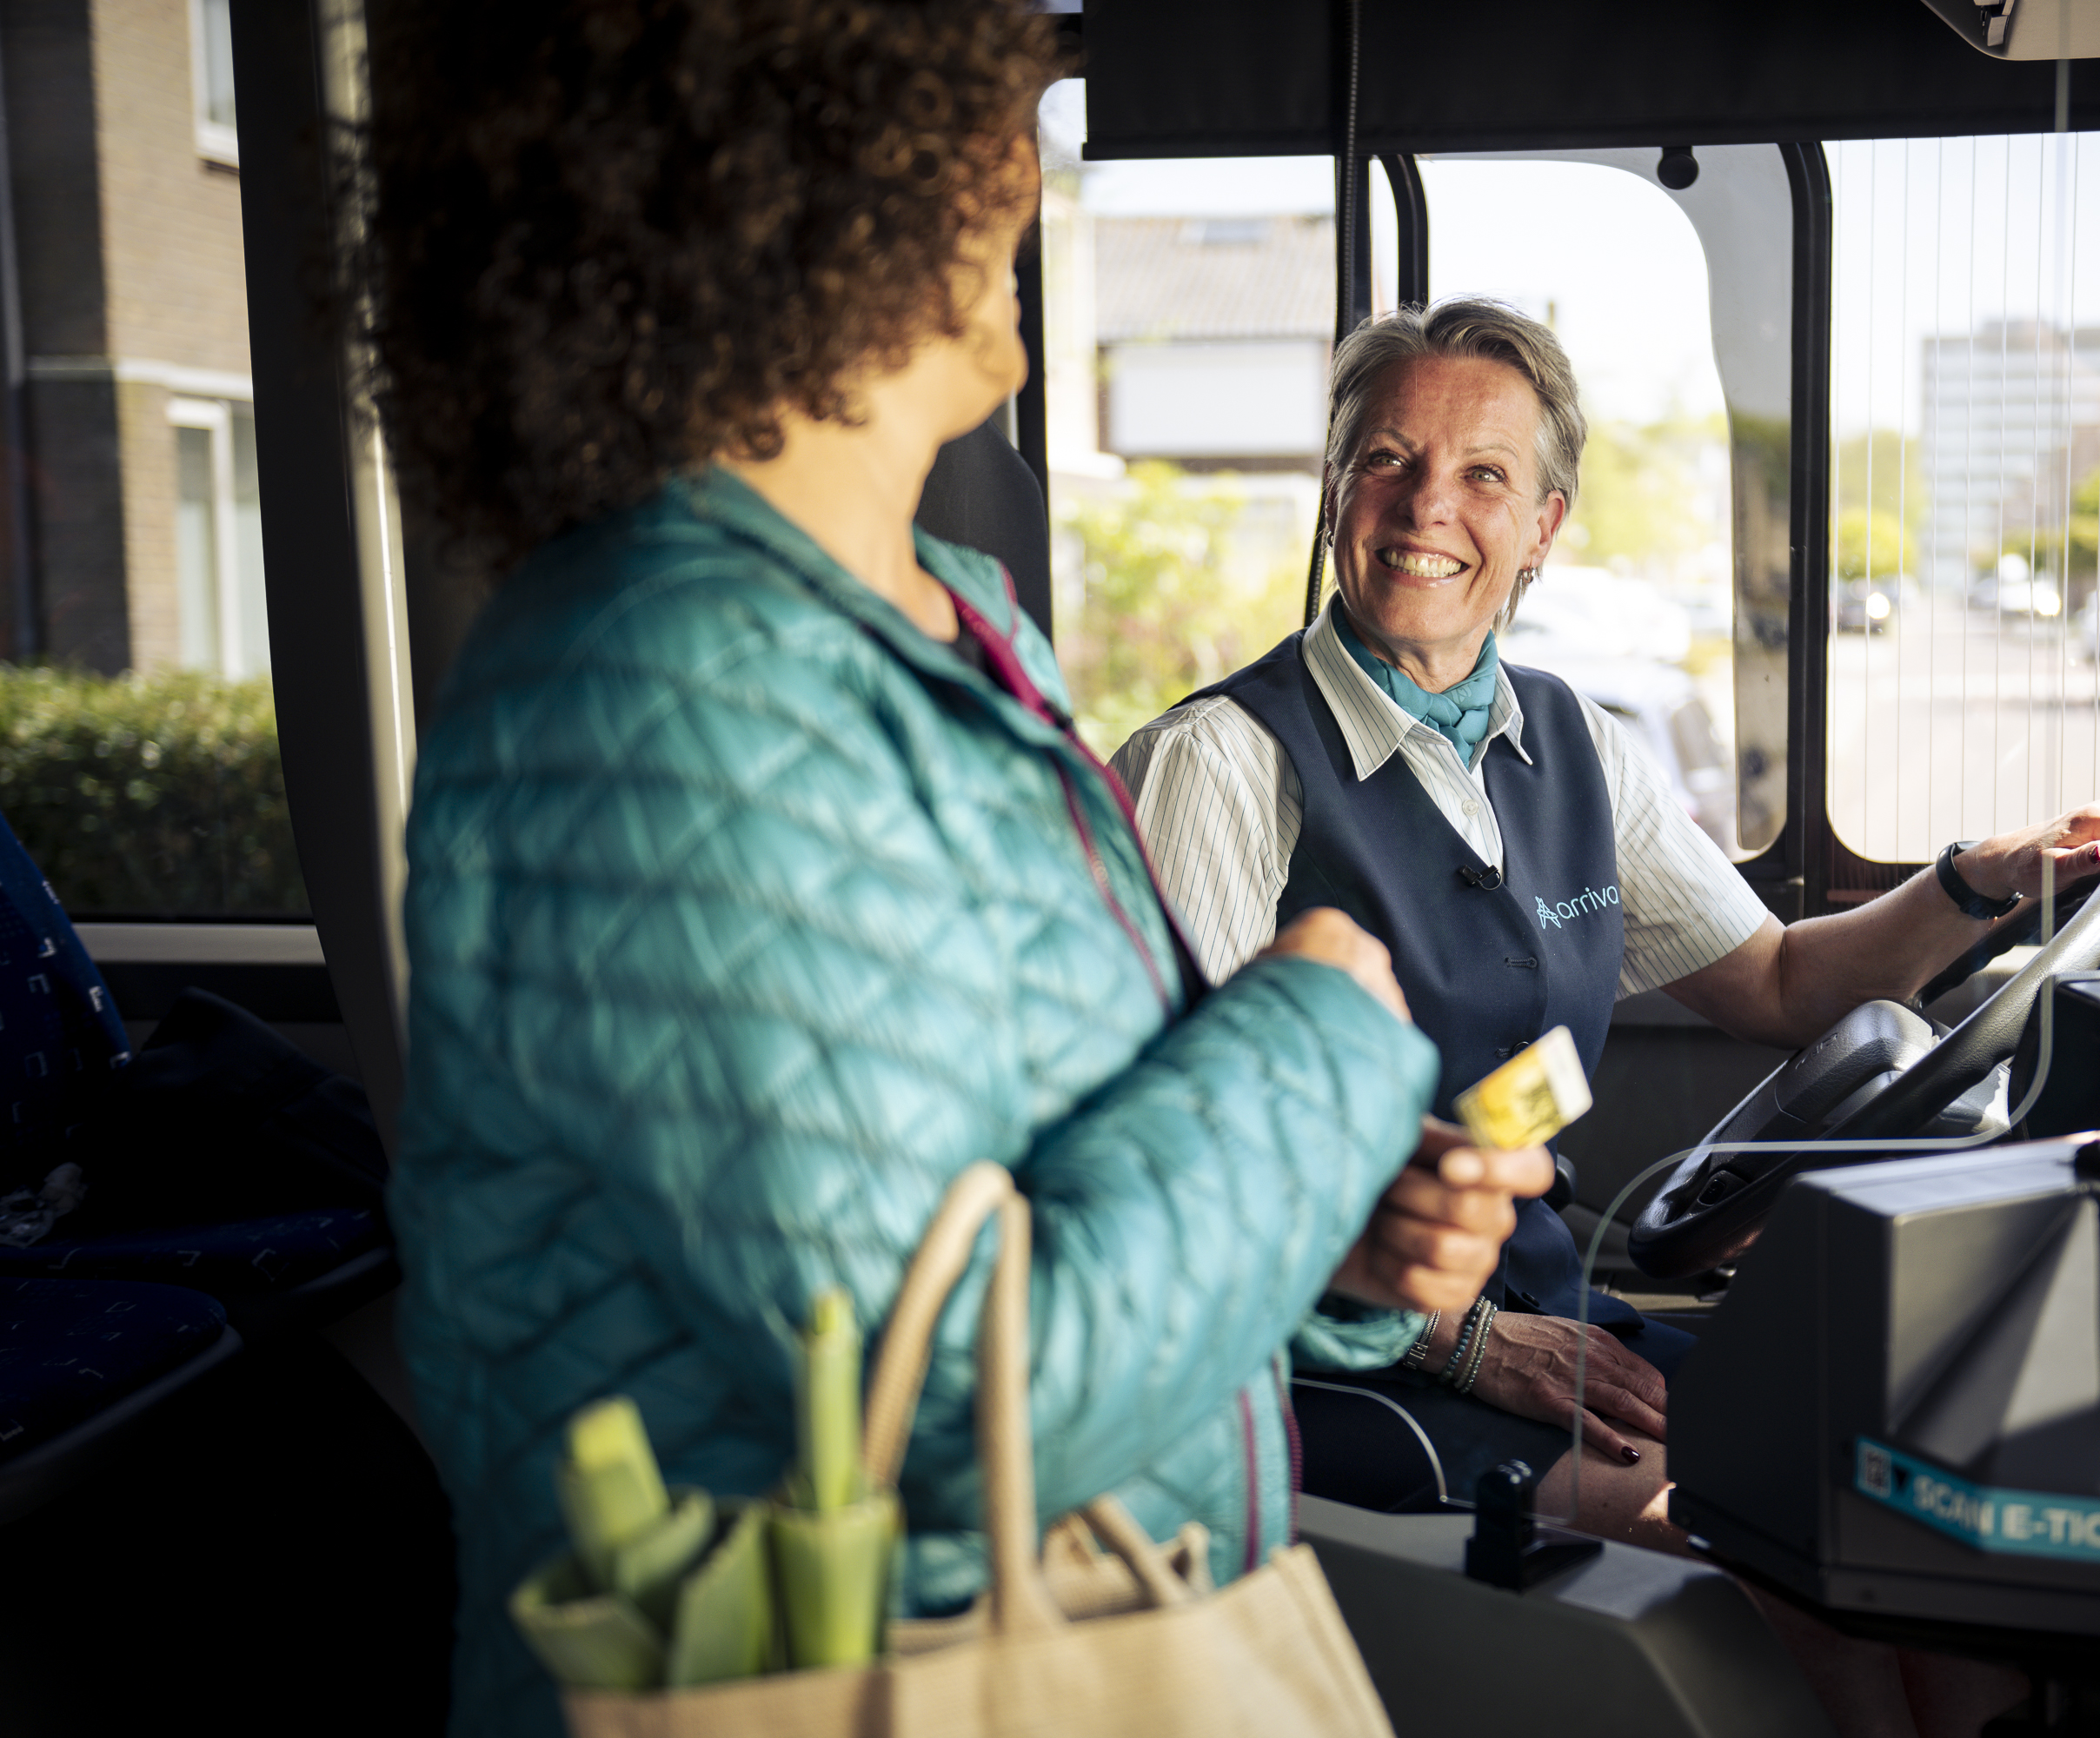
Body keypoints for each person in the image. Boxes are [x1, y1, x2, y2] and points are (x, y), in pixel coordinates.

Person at [356, 10, 1548, 1735]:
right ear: (804, 181)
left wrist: (1333, 1246)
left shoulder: (952, 621)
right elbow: (950, 1398)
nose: (1023, 165)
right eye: (978, 118)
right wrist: (1318, 1039)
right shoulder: (667, 692)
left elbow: (1054, 1166)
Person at [1114, 298, 2100, 1554]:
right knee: (1810, 1542)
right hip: (1324, 1364)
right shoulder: (1219, 764)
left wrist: (1976, 883)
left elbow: (1779, 981)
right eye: (1387, 459)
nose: (1427, 505)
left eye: (1484, 475)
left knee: (1933, 1480)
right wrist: (1462, 1342)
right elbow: (1174, 1172)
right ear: (1335, 492)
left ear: (1543, 526)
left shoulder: (1575, 744)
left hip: (1548, 1317)